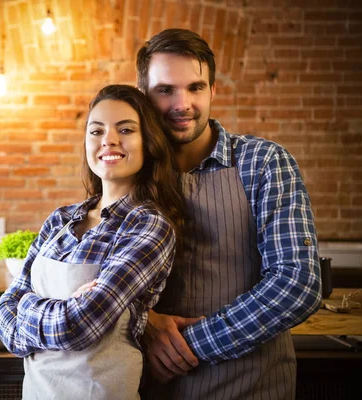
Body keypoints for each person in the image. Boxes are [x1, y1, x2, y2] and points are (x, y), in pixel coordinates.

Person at [136, 28, 322, 399]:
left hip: (253, 388)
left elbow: (297, 282)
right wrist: (143, 320)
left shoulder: (265, 162)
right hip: (149, 390)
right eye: (165, 90)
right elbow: (95, 276)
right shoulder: (130, 170)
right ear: (143, 95)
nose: (182, 103)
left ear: (213, 91)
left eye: (195, 87)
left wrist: (189, 345)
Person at [0, 84, 185, 400]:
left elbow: (79, 326)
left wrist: (27, 306)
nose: (108, 139)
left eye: (125, 129)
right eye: (96, 131)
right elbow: (3, 310)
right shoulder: (60, 220)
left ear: (148, 143)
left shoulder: (149, 225)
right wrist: (59, 307)